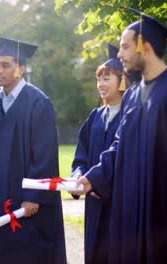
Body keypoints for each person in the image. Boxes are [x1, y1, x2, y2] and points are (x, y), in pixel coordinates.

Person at [73, 8, 167, 263]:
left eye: (125, 47)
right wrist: (94, 177)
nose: (120, 54)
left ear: (144, 47)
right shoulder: (134, 95)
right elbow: (119, 145)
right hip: (134, 209)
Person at [0, 37, 66, 263]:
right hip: (0, 193)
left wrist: (35, 196)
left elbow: (45, 154)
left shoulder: (38, 102)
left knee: (29, 250)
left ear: (21, 69)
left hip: (27, 200)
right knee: (2, 249)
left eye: (6, 65)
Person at [71, 43, 128, 264]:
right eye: (99, 79)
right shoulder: (95, 116)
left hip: (118, 200)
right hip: (93, 202)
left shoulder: (129, 115)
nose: (101, 84)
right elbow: (81, 155)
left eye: (107, 78)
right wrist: (78, 175)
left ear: (121, 80)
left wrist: (98, 182)